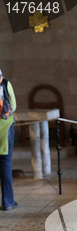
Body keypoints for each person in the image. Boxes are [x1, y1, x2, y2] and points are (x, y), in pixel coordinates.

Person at [0, 69, 17, 210]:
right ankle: (8, 202)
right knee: (5, 164)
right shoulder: (5, 83)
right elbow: (14, 106)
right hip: (5, 129)